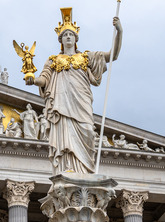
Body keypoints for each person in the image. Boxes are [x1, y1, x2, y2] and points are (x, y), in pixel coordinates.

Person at [26, 8, 123, 174]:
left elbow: (112, 55)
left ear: (76, 38)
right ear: (61, 40)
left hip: (81, 103)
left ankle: (85, 172)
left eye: (71, 34)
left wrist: (119, 31)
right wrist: (32, 79)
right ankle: (68, 168)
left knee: (88, 133)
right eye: (65, 35)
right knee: (65, 137)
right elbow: (44, 79)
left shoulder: (86, 57)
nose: (68, 37)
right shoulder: (53, 61)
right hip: (62, 105)